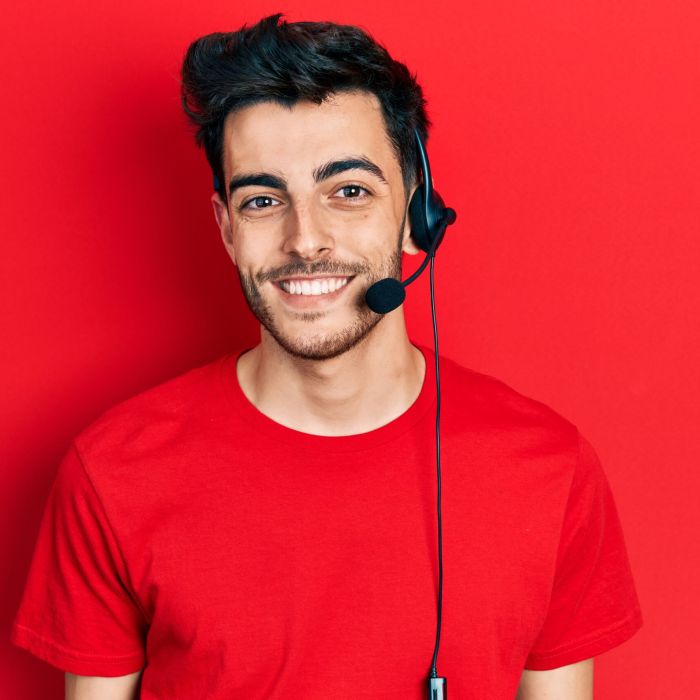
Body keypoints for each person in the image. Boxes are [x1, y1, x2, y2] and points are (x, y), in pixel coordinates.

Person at [11, 14, 642, 699]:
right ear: (226, 229)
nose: (304, 239)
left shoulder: (550, 470)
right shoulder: (111, 473)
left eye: (348, 191)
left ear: (414, 213)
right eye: (262, 199)